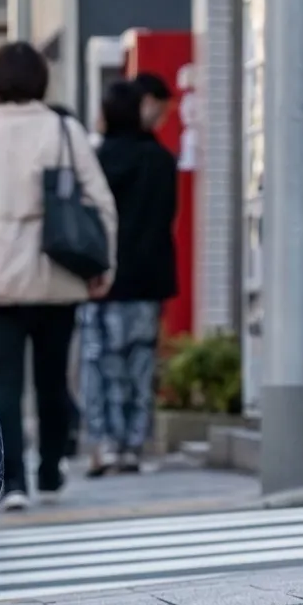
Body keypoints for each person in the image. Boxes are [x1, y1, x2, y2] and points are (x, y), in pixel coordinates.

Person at [0, 42, 116, 509]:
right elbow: (99, 202)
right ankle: (51, 470)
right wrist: (104, 265)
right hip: (58, 273)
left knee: (6, 383)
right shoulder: (63, 128)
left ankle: (12, 480)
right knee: (54, 380)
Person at [82, 75, 179, 476]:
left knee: (101, 364)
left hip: (103, 279)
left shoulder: (97, 161)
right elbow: (167, 217)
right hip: (149, 278)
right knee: (140, 364)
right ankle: (134, 446)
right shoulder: (161, 160)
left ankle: (106, 442)